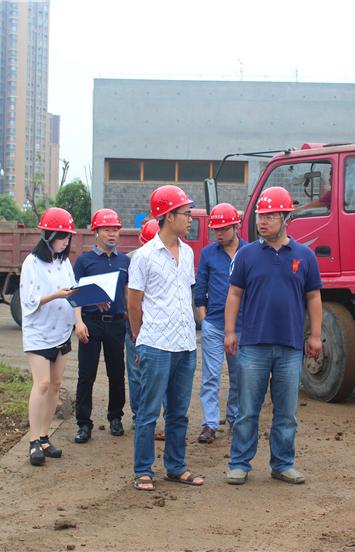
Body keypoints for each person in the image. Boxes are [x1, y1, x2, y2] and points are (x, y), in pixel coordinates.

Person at [224, 187, 323, 485]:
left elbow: (314, 298)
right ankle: (240, 463)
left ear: (287, 218)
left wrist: (315, 336)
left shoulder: (304, 256)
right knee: (247, 409)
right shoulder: (246, 255)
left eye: (269, 216)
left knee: (286, 412)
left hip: (291, 346)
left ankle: (282, 463)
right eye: (259, 216)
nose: (262, 222)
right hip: (253, 344)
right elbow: (234, 295)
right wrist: (230, 331)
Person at [128, 185, 203, 491]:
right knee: (148, 412)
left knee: (178, 413)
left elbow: (187, 294)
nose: (190, 219)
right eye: (186, 214)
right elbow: (134, 303)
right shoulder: (143, 256)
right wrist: (139, 339)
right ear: (168, 216)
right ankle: (143, 470)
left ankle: (175, 467)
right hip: (156, 345)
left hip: (186, 345)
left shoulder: (187, 253)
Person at [20, 207, 78, 466]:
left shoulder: (64, 262)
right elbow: (29, 301)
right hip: (38, 333)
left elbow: (74, 292)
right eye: (62, 236)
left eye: (68, 237)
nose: (66, 241)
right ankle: (33, 441)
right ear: (48, 235)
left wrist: (80, 318)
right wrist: (56, 294)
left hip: (62, 330)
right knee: (41, 384)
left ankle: (45, 436)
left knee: (55, 385)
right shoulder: (32, 263)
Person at [72, 209, 130, 443]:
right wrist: (78, 322)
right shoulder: (84, 261)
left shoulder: (124, 261)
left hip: (116, 324)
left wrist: (132, 323)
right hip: (91, 324)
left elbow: (127, 293)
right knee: (87, 375)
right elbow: (74, 293)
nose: (112, 233)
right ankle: (84, 424)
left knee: (117, 374)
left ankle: (115, 418)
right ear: (96, 232)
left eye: (115, 229)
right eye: (107, 229)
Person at [194, 203, 246, 443]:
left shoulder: (250, 252)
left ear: (236, 226)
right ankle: (210, 424)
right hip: (214, 325)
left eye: (224, 229)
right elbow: (200, 290)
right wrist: (205, 321)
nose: (219, 233)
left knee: (240, 376)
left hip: (242, 326)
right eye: (216, 230)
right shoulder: (208, 253)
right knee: (211, 377)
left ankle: (235, 418)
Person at [124, 218, 161, 430]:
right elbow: (128, 296)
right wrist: (133, 326)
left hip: (160, 327)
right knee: (137, 373)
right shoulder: (131, 260)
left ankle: (159, 417)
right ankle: (139, 416)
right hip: (136, 328)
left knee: (162, 376)